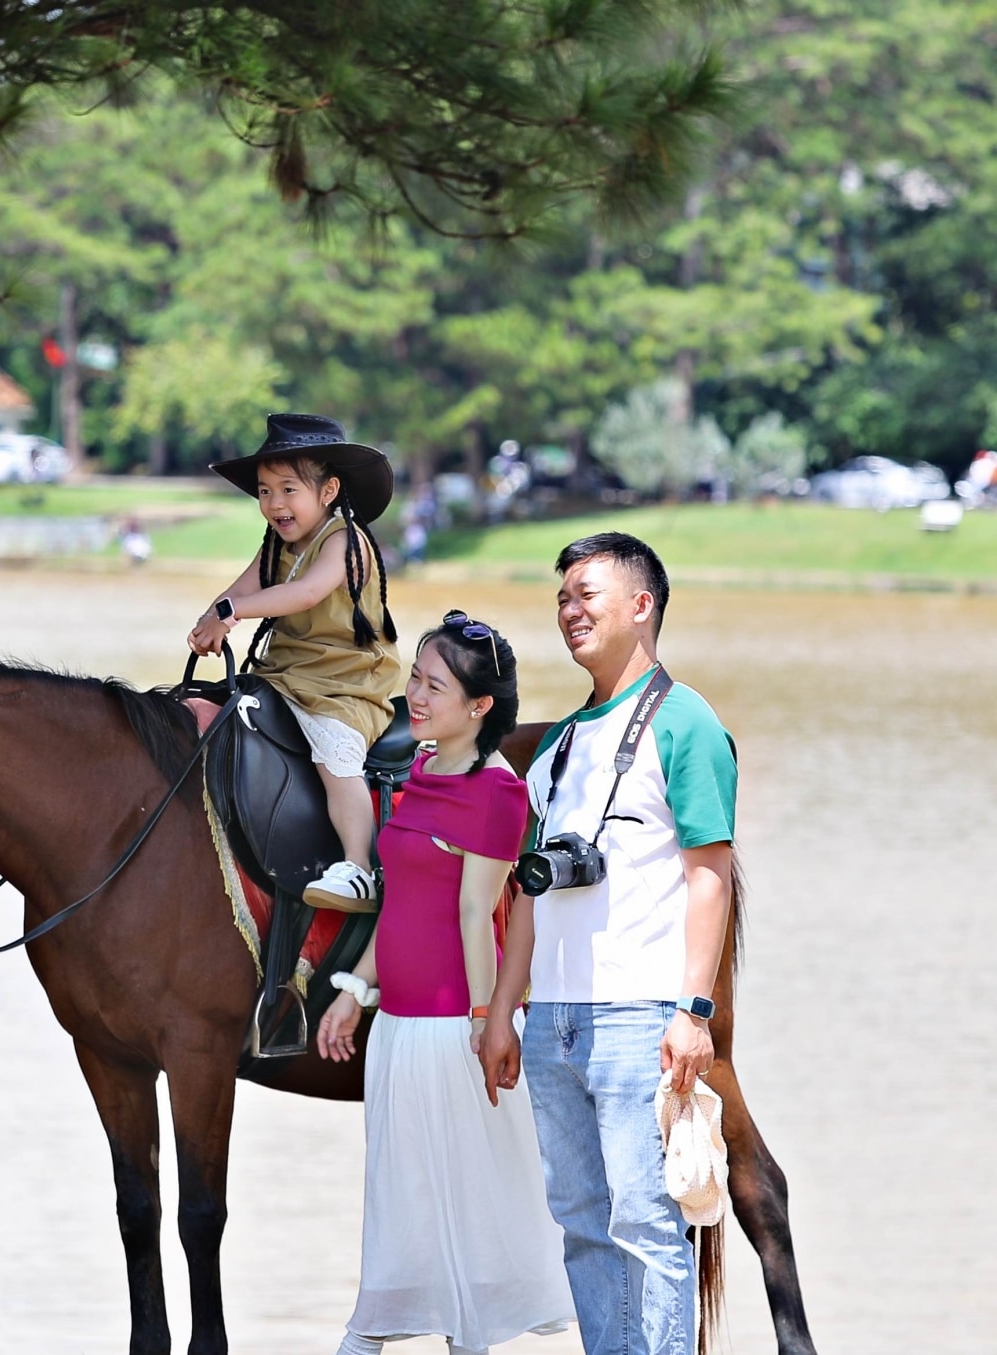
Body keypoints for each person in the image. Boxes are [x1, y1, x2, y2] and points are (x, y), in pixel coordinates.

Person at [478, 533, 737, 1355]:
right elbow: (528, 894)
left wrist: (692, 1010)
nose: (569, 611)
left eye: (586, 593)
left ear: (641, 604)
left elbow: (710, 874)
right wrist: (502, 1011)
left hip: (637, 1015)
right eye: (561, 598)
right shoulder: (554, 750)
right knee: (584, 1226)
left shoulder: (685, 721)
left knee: (645, 1224)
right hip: (553, 1019)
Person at [317, 613, 575, 1355]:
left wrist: (485, 1022)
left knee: (467, 1217)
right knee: (402, 1209)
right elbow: (400, 902)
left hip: (453, 1032)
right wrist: (355, 989)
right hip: (397, 1028)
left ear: (479, 705)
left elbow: (473, 915)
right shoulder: (420, 770)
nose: (415, 696)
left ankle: (368, 1337)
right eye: (415, 679)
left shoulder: (498, 791)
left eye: (433, 685)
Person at [190, 413, 401, 910]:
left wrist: (232, 612)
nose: (275, 504)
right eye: (264, 491)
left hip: (343, 681)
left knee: (334, 748)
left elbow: (304, 594)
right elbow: (243, 588)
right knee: (214, 713)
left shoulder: (346, 542)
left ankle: (358, 867)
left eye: (288, 489)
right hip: (283, 672)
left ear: (328, 491)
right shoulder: (276, 545)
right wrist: (210, 618)